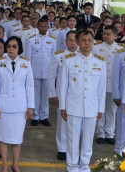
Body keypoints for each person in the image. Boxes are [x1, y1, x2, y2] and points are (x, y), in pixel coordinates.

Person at [59, 29, 106, 172]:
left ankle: (85, 165)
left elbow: (101, 88)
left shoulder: (100, 62)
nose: (87, 43)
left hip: (92, 107)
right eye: (83, 40)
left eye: (89, 40)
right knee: (72, 139)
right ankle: (72, 166)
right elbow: (63, 86)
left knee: (88, 139)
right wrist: (63, 107)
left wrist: (100, 109)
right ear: (78, 42)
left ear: (93, 42)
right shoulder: (69, 61)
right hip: (73, 106)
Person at [0, 36, 34, 172]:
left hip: (20, 106)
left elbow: (30, 86)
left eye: (14, 46)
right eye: (9, 46)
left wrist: (30, 106)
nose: (11, 49)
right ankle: (5, 164)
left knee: (17, 138)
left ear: (19, 48)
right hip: (4, 105)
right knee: (3, 138)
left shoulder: (26, 63)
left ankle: (15, 164)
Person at [47, 31, 78, 160]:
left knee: (76, 124)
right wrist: (53, 95)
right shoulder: (58, 56)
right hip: (62, 95)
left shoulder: (83, 57)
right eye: (70, 40)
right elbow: (51, 77)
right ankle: (62, 148)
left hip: (77, 96)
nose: (72, 43)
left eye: (75, 40)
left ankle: (74, 149)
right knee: (62, 124)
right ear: (66, 42)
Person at [93, 25, 123, 145]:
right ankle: (100, 133)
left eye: (108, 34)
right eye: (104, 34)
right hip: (99, 84)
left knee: (111, 110)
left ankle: (110, 133)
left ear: (115, 35)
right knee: (100, 109)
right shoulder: (96, 48)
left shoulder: (120, 50)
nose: (105, 36)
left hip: (113, 85)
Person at [25, 18, 56, 126]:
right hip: (35, 72)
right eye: (41, 27)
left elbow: (54, 59)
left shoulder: (52, 40)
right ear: (37, 27)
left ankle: (44, 116)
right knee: (35, 95)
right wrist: (28, 73)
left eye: (45, 26)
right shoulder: (31, 39)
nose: (43, 29)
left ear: (48, 27)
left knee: (45, 95)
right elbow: (28, 58)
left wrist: (53, 73)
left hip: (47, 72)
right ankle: (35, 116)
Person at [112, 29, 125, 154]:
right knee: (122, 126)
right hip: (124, 97)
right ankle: (120, 152)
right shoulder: (120, 55)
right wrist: (116, 95)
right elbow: (115, 77)